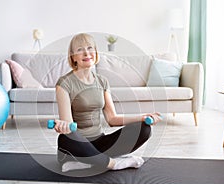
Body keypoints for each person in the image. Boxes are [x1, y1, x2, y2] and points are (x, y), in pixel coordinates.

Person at [53, 33, 162, 173]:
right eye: (80, 49)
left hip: (99, 143)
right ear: (73, 56)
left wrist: (141, 117)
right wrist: (63, 126)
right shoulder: (64, 84)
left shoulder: (102, 81)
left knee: (144, 129)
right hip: (76, 146)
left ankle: (91, 162)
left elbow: (112, 119)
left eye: (90, 48)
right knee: (66, 137)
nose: (86, 53)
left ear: (95, 52)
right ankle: (113, 164)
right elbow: (68, 124)